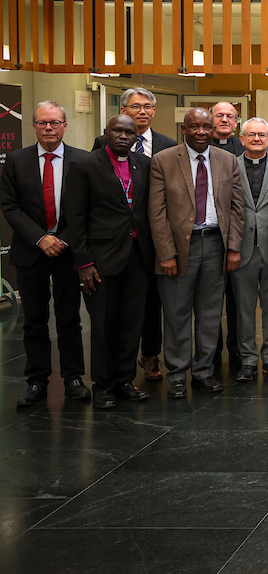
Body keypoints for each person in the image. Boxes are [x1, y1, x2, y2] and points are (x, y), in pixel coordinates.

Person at [149, 108, 245, 398]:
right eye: (195, 127)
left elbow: (237, 209)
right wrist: (166, 253)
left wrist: (233, 247)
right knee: (177, 313)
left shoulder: (227, 160)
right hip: (179, 249)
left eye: (207, 126)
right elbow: (157, 213)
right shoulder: (163, 160)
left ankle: (204, 371)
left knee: (210, 313)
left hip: (216, 245)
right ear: (184, 128)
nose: (202, 132)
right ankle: (177, 374)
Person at [63, 115, 155, 409]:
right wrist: (84, 262)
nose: (124, 136)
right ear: (106, 132)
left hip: (137, 256)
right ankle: (103, 385)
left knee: (131, 322)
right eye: (118, 130)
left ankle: (125, 380)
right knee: (103, 325)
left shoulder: (144, 164)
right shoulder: (85, 165)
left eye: (130, 132)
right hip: (100, 261)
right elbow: (75, 219)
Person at [0, 101, 89, 407]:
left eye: (54, 123)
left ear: (65, 126)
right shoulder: (16, 160)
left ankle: (74, 378)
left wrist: (60, 239)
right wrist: (40, 238)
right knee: (34, 321)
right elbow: (10, 206)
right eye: (42, 123)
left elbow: (85, 208)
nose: (48, 128)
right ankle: (36, 381)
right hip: (30, 252)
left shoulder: (83, 160)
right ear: (34, 126)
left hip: (68, 252)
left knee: (69, 319)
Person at [91, 87, 177, 383]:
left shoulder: (168, 145)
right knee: (114, 313)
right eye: (136, 106)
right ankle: (111, 372)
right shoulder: (104, 144)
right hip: (113, 244)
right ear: (123, 110)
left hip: (153, 240)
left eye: (148, 106)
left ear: (154, 111)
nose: (142, 111)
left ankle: (150, 356)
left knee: (151, 304)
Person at [229, 118, 268, 382]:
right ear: (241, 139)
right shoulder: (229, 166)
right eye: (251, 134)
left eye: (262, 135)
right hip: (240, 249)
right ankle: (248, 360)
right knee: (243, 309)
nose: (256, 138)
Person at [211, 100, 244, 370]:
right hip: (209, 237)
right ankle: (211, 354)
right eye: (219, 115)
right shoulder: (198, 146)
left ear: (236, 122)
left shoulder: (243, 150)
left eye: (229, 116)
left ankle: (236, 351)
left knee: (236, 300)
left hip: (234, 236)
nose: (224, 120)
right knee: (209, 302)